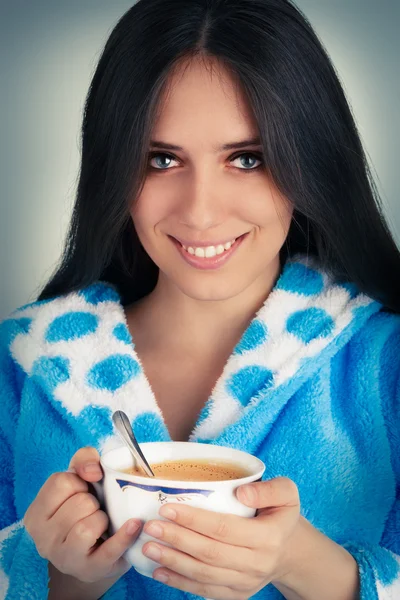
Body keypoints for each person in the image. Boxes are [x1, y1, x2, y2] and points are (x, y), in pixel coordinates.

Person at [0, 0, 399, 598]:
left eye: (247, 159)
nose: (201, 211)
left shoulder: (384, 364)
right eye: (162, 160)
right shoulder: (22, 365)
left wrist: (304, 564)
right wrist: (57, 576)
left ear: (310, 161)